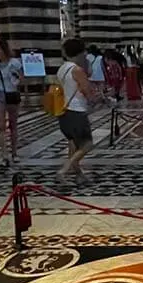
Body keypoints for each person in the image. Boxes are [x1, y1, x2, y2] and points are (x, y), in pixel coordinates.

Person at [56, 37, 96, 178]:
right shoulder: (77, 70)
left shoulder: (62, 69)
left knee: (72, 143)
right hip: (77, 111)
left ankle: (77, 172)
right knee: (87, 144)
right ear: (80, 53)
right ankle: (65, 169)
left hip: (64, 111)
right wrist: (99, 99)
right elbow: (87, 91)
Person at [0, 36, 22, 169]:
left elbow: (21, 78)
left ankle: (14, 152)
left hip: (12, 94)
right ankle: (4, 155)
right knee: (1, 126)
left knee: (13, 125)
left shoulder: (15, 63)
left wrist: (17, 78)